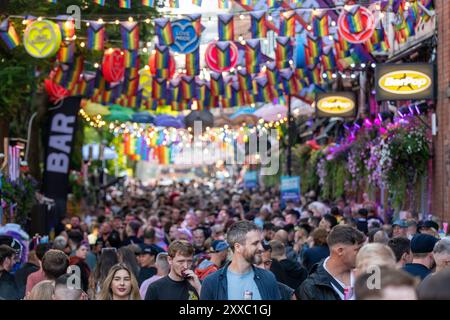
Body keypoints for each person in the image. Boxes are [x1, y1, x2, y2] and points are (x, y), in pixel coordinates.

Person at [200, 221, 281, 300]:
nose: (261, 248)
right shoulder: (212, 282)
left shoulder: (268, 278)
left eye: (261, 242)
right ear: (238, 247)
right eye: (255, 243)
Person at [298, 225, 365, 300]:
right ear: (340, 251)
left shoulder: (368, 273)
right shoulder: (310, 288)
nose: (363, 253)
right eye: (357, 249)